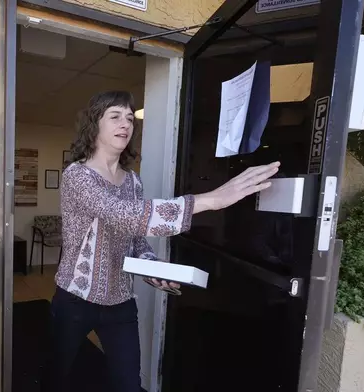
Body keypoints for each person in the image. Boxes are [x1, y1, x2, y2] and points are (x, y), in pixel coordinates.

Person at [44, 90, 280, 392]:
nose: (125, 124)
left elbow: (136, 241)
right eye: (115, 116)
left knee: (128, 383)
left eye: (130, 118)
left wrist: (153, 269)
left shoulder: (133, 181)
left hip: (121, 304)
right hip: (74, 300)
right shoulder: (77, 176)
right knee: (56, 376)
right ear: (95, 124)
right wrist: (210, 200)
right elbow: (121, 214)